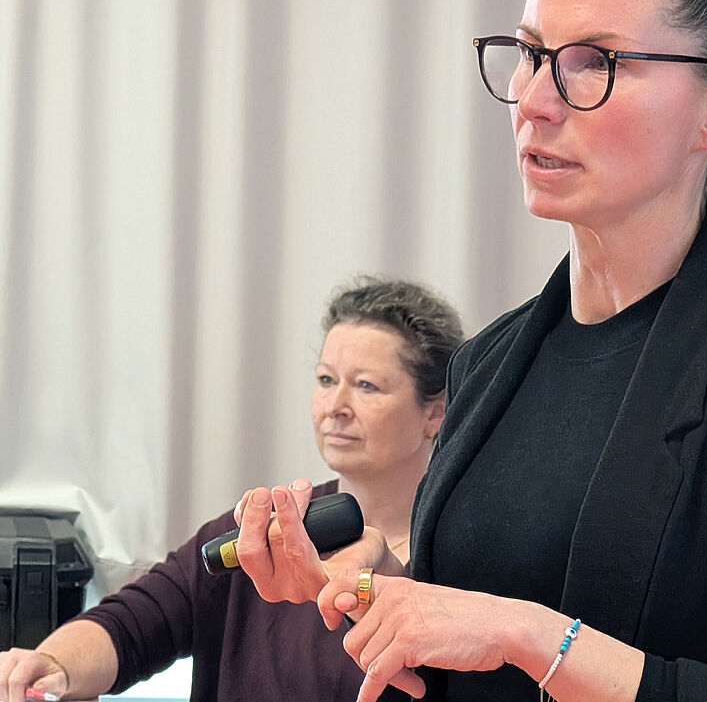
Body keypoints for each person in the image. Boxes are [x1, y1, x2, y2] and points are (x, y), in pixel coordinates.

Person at [234, 0, 707, 700]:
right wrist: (365, 591)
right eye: (530, 53)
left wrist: (532, 634)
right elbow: (467, 653)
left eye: (595, 62)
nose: (535, 101)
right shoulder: (490, 362)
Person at [0, 277, 464, 702]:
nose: (335, 407)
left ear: (435, 412)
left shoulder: (467, 556)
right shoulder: (255, 533)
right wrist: (52, 665)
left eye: (366, 386)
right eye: (326, 380)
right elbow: (130, 625)